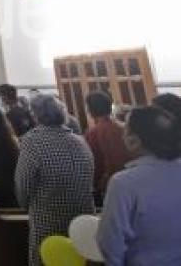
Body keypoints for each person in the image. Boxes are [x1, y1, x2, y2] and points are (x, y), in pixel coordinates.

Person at [96, 106, 181, 266]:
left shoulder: (124, 183)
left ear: (135, 140)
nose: (122, 134)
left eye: (126, 128)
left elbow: (109, 240)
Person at [16, 94, 94, 266]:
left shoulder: (32, 141)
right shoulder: (79, 141)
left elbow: (23, 185)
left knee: (47, 258)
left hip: (48, 217)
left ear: (36, 115)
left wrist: (24, 206)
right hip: (81, 217)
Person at [84, 91, 132, 204]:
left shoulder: (93, 133)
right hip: (130, 180)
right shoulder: (124, 128)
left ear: (90, 110)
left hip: (108, 186)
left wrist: (95, 186)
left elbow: (94, 164)